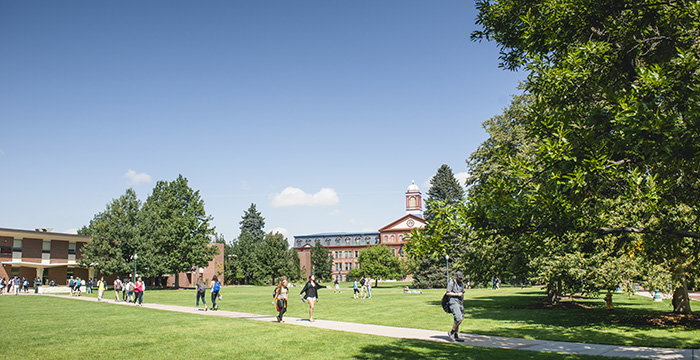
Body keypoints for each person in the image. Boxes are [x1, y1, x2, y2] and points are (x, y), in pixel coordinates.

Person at [446, 271, 466, 342]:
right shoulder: (451, 283)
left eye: (461, 278)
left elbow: (462, 293)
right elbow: (448, 293)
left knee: (459, 319)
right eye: (459, 278)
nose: (460, 279)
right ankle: (451, 332)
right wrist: (457, 294)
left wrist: (462, 303)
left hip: (460, 303)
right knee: (458, 318)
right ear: (456, 276)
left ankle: (456, 335)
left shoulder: (461, 284)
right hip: (453, 302)